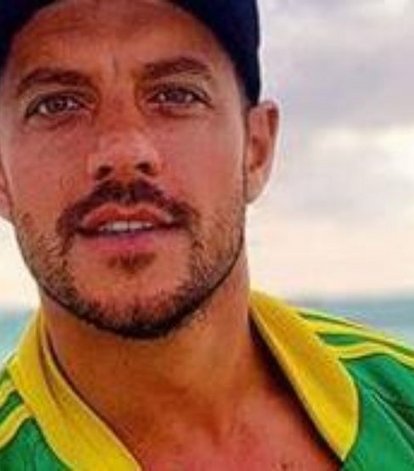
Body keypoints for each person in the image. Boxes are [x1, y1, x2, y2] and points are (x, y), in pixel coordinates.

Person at [0, 0, 413, 469]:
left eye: (176, 95)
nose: (123, 150)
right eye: (56, 104)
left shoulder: (401, 396)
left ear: (256, 150)